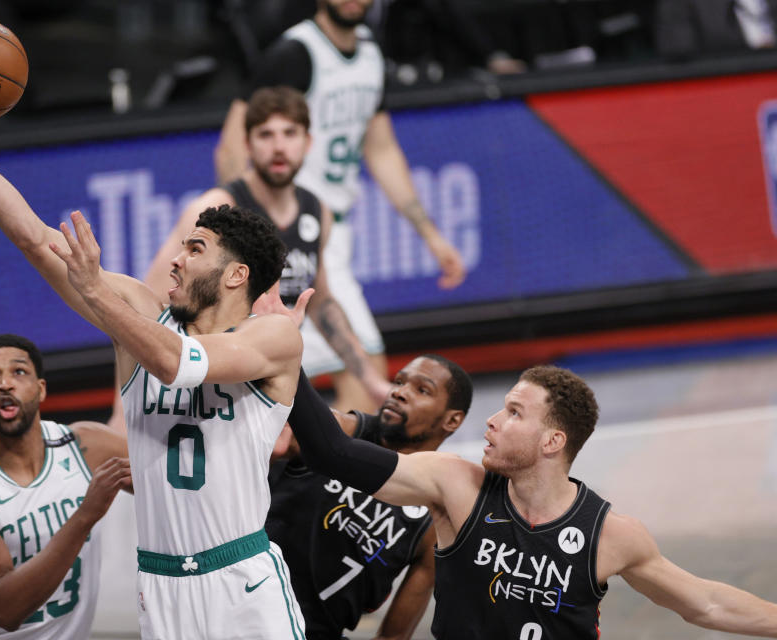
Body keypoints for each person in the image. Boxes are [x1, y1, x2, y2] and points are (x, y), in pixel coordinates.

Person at [0, 53, 308, 640]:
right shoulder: (144, 315)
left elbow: (177, 364)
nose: (175, 258)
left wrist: (96, 293)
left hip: (241, 580)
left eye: (195, 249)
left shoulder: (272, 336)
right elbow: (31, 238)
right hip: (161, 587)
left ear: (235, 276)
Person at [282, 346, 777, 636]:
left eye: (515, 413)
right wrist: (286, 353)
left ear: (553, 441)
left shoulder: (612, 536)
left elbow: (707, 603)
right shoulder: (457, 486)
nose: (493, 422)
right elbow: (333, 454)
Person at [215, 0, 466, 413]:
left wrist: (431, 235)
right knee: (363, 376)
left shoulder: (369, 53)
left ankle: (319, 473)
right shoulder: (293, 54)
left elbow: (382, 150)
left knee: (316, 385)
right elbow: (231, 147)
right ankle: (343, 473)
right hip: (289, 234)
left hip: (331, 231)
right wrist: (255, 235)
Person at [146, 85, 390, 410]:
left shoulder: (317, 210)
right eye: (266, 135)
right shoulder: (219, 208)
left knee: (357, 415)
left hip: (275, 363)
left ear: (308, 142)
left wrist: (371, 380)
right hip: (219, 368)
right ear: (247, 145)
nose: (279, 147)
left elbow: (320, 302)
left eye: (290, 134)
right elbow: (153, 297)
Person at [0, 334, 131, 639]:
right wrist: (85, 515)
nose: (5, 384)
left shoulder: (87, 446)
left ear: (41, 388)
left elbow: (172, 481)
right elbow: (5, 609)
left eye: (19, 372)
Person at [267, 354, 472, 639]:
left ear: (452, 420)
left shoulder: (435, 521)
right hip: (245, 603)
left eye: (421, 390)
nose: (400, 392)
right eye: (399, 382)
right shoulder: (341, 430)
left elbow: (393, 635)